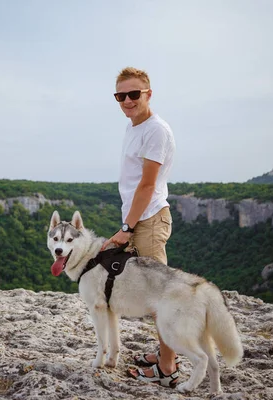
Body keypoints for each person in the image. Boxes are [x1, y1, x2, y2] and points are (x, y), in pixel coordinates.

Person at [101, 67, 177, 387]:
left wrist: (126, 229)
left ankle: (167, 369)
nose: (128, 101)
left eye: (134, 94)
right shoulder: (135, 126)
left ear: (148, 94)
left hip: (146, 222)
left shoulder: (155, 130)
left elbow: (146, 186)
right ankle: (164, 354)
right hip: (140, 220)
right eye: (121, 95)